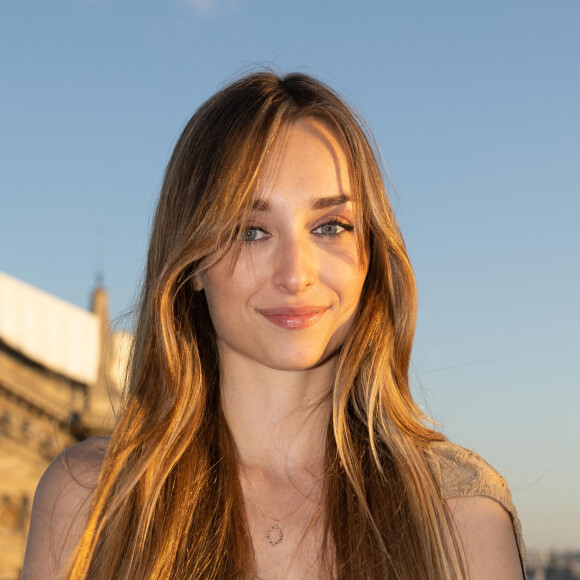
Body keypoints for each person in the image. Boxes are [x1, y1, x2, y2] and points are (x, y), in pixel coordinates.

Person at [22, 71, 525, 579]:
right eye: (252, 230)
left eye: (330, 226)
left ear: (369, 252)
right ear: (193, 265)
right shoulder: (89, 501)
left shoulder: (462, 515)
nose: (295, 274)